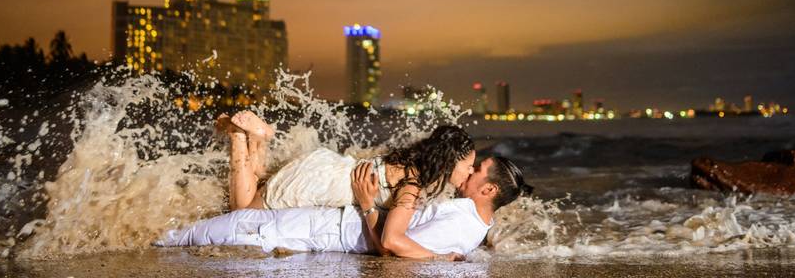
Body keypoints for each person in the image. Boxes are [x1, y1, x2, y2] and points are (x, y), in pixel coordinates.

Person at [156, 154, 535, 260]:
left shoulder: (461, 220)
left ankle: (156, 241)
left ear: (487, 189)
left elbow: (392, 245)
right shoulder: (473, 225)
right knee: (242, 224)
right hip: (327, 232)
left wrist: (368, 204)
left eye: (476, 170)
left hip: (327, 230)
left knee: (236, 226)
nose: (466, 172)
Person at [215, 111, 477, 256]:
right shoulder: (412, 185)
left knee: (263, 182)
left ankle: (260, 137)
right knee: (243, 211)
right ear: (448, 162)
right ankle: (238, 136)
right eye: (467, 167)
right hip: (317, 181)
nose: (470, 172)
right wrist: (436, 257)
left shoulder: (409, 163)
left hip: (326, 168)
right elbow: (391, 241)